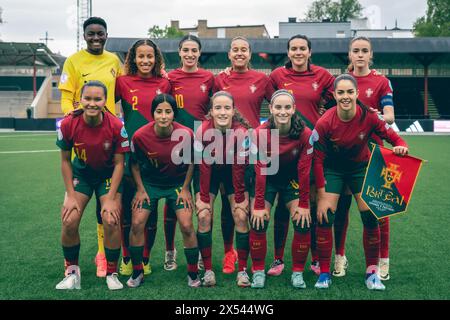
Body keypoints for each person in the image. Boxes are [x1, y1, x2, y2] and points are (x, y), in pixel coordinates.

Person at [312, 74, 408, 290]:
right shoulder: (325, 122)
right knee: (324, 215)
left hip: (360, 168)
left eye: (349, 92)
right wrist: (320, 194)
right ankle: (325, 273)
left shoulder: (369, 117)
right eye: (341, 92)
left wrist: (401, 145)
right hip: (333, 170)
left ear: (356, 93)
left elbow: (393, 136)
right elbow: (317, 160)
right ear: (334, 95)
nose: (345, 96)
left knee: (370, 216)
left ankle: (372, 273)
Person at [58, 17, 122, 277]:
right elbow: (65, 97)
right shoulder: (73, 61)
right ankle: (71, 269)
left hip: (108, 134)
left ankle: (101, 254)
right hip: (83, 134)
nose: (96, 38)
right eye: (91, 34)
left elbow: (125, 90)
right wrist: (79, 120)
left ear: (107, 35)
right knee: (72, 213)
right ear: (84, 36)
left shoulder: (114, 61)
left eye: (100, 34)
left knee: (107, 211)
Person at [268, 34, 335, 276]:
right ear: (288, 53)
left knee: (314, 203)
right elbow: (263, 95)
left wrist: (325, 106)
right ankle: (277, 259)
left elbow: (341, 94)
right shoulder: (277, 76)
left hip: (313, 146)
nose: (298, 52)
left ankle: (316, 258)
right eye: (294, 48)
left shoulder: (322, 75)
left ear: (309, 52)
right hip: (282, 147)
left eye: (302, 48)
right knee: (283, 206)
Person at [55, 81, 129, 290]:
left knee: (111, 219)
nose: (92, 103)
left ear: (105, 101)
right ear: (80, 100)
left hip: (108, 176)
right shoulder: (69, 123)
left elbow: (119, 164)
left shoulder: (116, 125)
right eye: (88, 98)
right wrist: (70, 195)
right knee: (69, 219)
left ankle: (112, 273)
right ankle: (72, 272)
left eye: (98, 99)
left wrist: (112, 198)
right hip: (82, 175)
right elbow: (65, 161)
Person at [332, 37, 396, 280]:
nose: (360, 55)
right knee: (341, 209)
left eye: (364, 51)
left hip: (374, 153)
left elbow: (389, 115)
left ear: (371, 55)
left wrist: (375, 114)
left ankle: (383, 261)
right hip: (344, 155)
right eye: (355, 51)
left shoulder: (381, 81)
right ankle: (340, 257)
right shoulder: (339, 81)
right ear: (350, 54)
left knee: (379, 209)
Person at [213, 36, 274, 274]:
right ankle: (230, 254)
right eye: (235, 50)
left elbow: (279, 105)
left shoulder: (262, 79)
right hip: (221, 148)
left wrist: (263, 131)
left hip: (251, 149)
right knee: (229, 206)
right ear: (229, 54)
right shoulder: (220, 79)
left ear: (250, 54)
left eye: (244, 50)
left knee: (248, 204)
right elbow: (209, 108)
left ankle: (252, 256)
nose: (239, 53)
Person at [127, 94, 200, 288]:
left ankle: (193, 273)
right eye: (159, 111)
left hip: (177, 185)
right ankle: (137, 272)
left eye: (168, 111)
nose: (163, 116)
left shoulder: (186, 134)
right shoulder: (140, 136)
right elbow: (133, 164)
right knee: (137, 223)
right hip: (150, 185)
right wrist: (140, 189)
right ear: (153, 113)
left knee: (186, 225)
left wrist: (185, 189)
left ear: (174, 114)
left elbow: (193, 161)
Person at [115, 39, 171, 276]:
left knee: (151, 212)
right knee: (128, 211)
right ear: (133, 59)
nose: (146, 61)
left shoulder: (165, 83)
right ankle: (127, 257)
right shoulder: (122, 82)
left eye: (150, 56)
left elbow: (171, 112)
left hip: (156, 157)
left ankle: (145, 258)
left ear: (156, 58)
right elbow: (106, 106)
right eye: (141, 56)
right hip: (130, 155)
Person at [249, 89, 313, 289]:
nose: (283, 111)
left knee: (303, 221)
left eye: (287, 107)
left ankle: (297, 273)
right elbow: (260, 170)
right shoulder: (260, 133)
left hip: (291, 181)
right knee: (258, 220)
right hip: (267, 179)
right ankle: (258, 271)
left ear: (294, 109)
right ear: (271, 109)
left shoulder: (305, 134)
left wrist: (304, 204)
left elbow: (304, 170)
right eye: (278, 107)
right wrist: (259, 204)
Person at [194, 91, 252, 287]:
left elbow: (238, 168)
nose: (222, 112)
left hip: (232, 174)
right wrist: (203, 198)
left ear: (233, 110)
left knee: (241, 215)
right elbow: (203, 166)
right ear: (211, 111)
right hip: (208, 174)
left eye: (227, 107)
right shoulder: (202, 131)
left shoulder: (241, 132)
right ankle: (208, 270)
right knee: (203, 215)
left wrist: (240, 198)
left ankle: (242, 270)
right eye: (217, 107)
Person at [168, 35, 215, 270]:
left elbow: (217, 106)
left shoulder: (209, 77)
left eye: (194, 50)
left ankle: (200, 252)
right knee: (172, 198)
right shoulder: (170, 78)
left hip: (204, 142)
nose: (189, 54)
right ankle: (170, 251)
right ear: (179, 52)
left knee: (202, 197)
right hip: (177, 142)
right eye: (185, 50)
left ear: (199, 52)